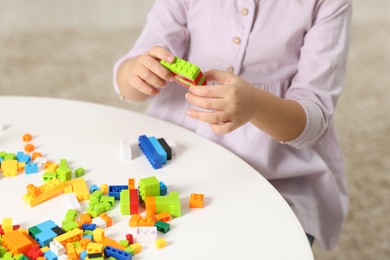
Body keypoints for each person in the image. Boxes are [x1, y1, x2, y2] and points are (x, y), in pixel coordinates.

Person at [113, 0, 352, 250]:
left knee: (264, 244)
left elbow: (313, 120)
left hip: (275, 171)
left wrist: (258, 106)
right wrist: (137, 72)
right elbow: (129, 82)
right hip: (177, 152)